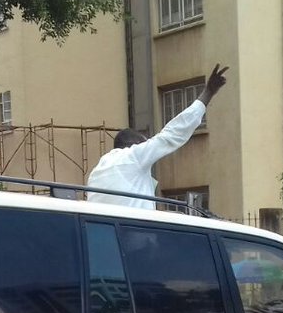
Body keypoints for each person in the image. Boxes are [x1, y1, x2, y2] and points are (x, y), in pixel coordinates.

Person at [87, 64, 228, 209]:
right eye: (144, 144)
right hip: (135, 230)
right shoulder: (134, 156)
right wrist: (207, 93)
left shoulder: (97, 171)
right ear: (135, 144)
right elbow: (171, 134)